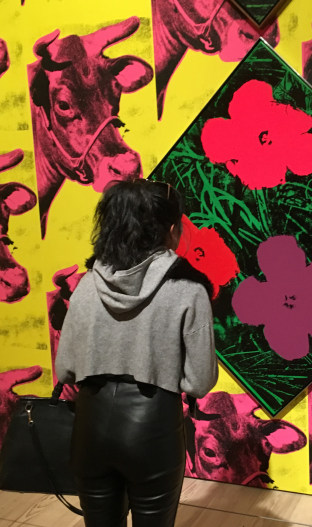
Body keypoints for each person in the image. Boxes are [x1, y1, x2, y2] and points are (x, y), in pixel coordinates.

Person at [55, 179, 218, 527]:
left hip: (90, 428)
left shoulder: (86, 284)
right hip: (153, 430)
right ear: (171, 229)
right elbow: (200, 381)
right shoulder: (189, 288)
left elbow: (66, 370)